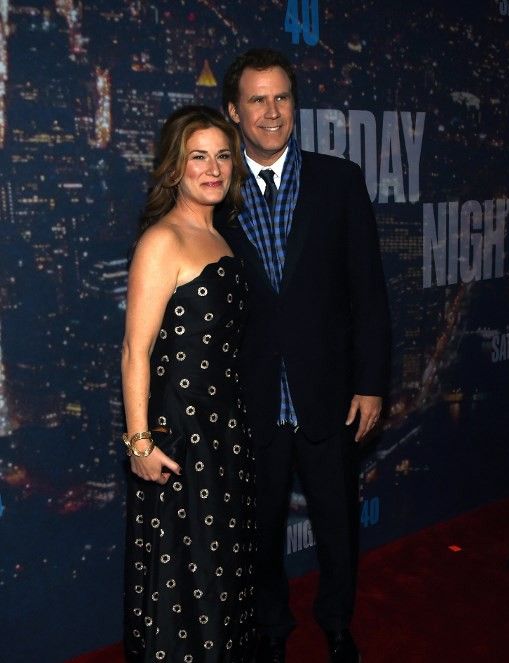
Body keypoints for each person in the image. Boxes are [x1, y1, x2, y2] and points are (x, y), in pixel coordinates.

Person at [216, 50, 390, 663]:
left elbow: (368, 290)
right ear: (234, 110)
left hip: (328, 393)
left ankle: (337, 622)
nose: (272, 112)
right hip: (251, 398)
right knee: (258, 533)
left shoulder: (338, 181)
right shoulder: (215, 188)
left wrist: (371, 383)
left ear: (296, 105)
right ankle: (271, 627)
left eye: (282, 97)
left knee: (337, 524)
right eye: (258, 100)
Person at [121, 105, 255, 663]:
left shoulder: (223, 238)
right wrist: (139, 443)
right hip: (180, 438)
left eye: (223, 156)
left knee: (221, 576)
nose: (213, 168)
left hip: (225, 435)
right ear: (175, 167)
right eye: (198, 156)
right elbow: (135, 351)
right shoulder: (163, 241)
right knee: (182, 577)